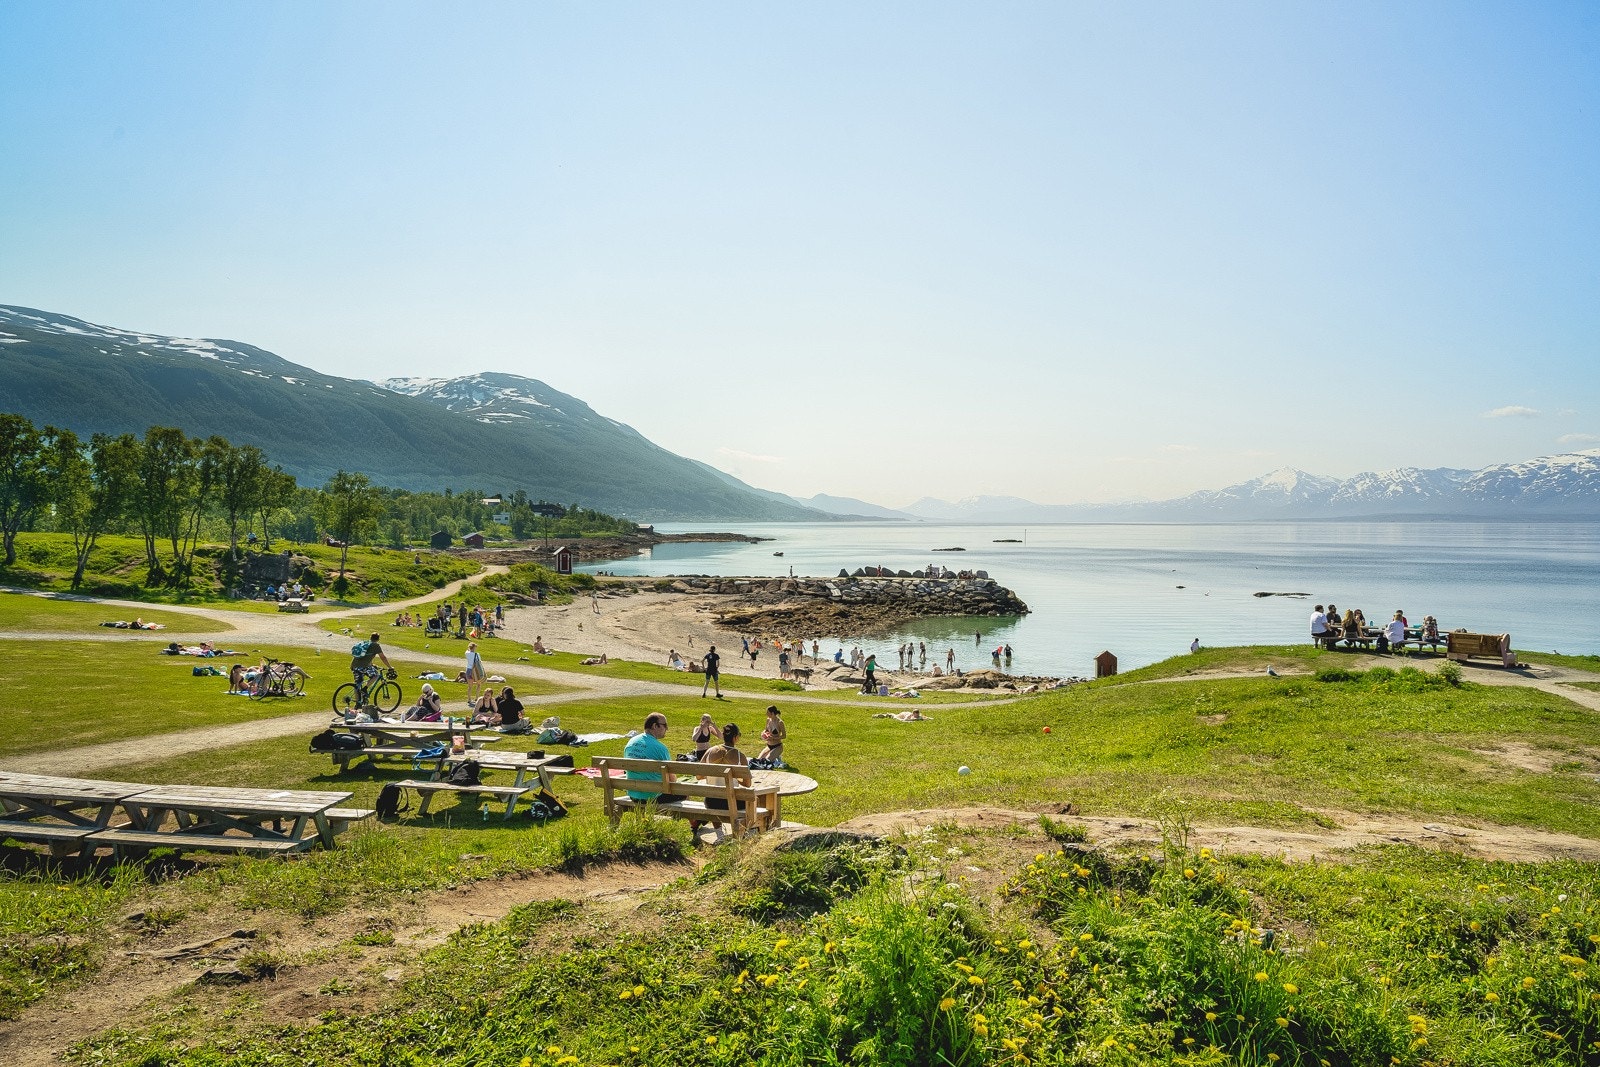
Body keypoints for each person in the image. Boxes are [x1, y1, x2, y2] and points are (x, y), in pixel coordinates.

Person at [699, 723, 749, 833]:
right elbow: (747, 784)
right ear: (735, 737)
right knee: (754, 799)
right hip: (732, 802)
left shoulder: (710, 751)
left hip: (711, 801)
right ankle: (747, 830)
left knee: (715, 796)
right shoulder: (740, 756)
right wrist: (735, 778)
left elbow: (699, 776)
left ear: (723, 735)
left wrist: (714, 774)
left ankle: (718, 831)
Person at [623, 713, 679, 803]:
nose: (667, 728)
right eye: (665, 725)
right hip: (654, 797)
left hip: (633, 795)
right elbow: (672, 780)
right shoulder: (660, 748)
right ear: (655, 726)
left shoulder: (631, 742)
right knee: (684, 793)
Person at [350, 632, 392, 704]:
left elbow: (365, 656)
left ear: (370, 637)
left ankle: (358, 703)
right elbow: (383, 657)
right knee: (376, 675)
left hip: (354, 665)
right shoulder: (376, 645)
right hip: (363, 666)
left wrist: (372, 664)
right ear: (378, 639)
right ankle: (365, 689)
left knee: (357, 684)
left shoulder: (365, 643)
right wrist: (390, 667)